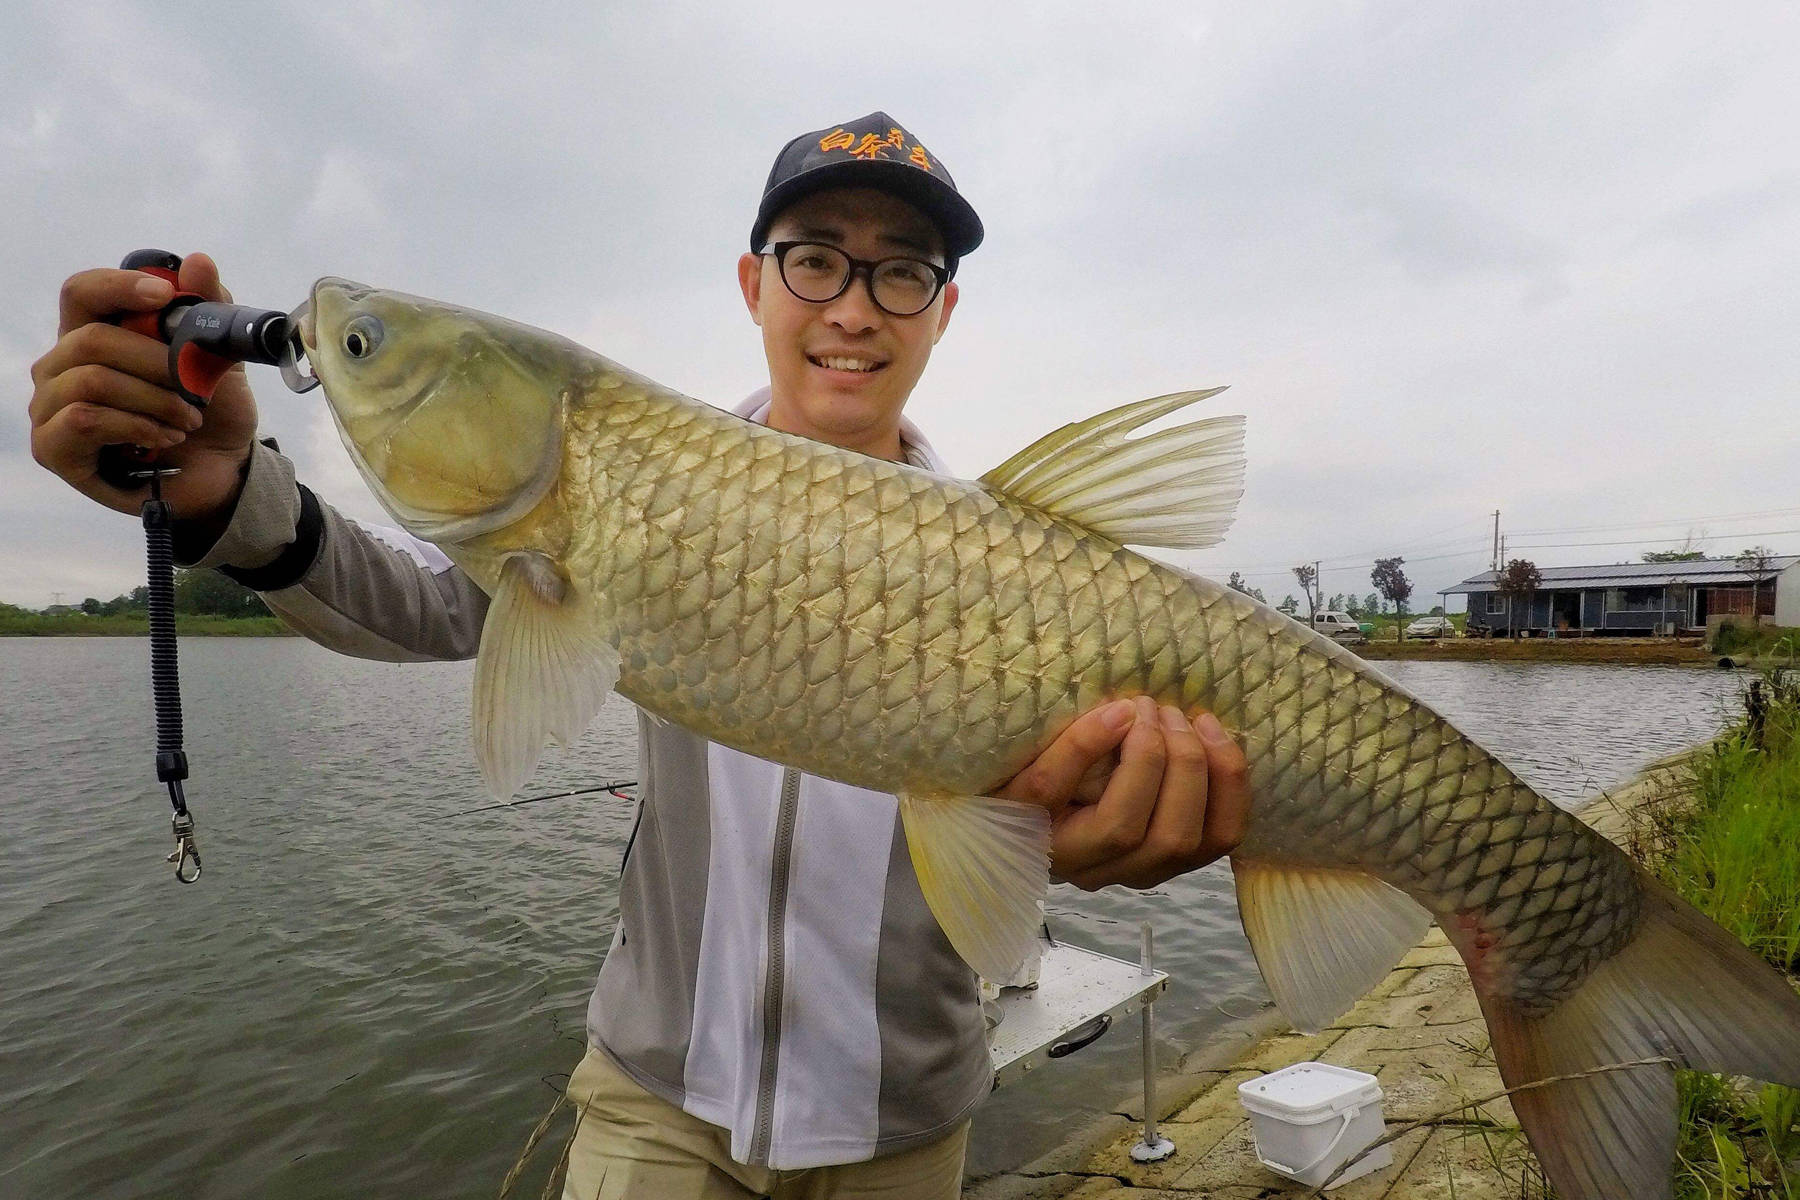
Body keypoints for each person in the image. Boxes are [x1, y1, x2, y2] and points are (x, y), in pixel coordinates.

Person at [29, 112, 1251, 1199]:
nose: (852, 305)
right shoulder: (617, 489)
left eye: (904, 273)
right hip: (658, 1109)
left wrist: (1102, 838)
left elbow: (1046, 837)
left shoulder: (1028, 565)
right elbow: (412, 606)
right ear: (754, 284)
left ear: (944, 310)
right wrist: (224, 494)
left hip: (910, 1125)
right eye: (815, 258)